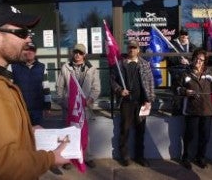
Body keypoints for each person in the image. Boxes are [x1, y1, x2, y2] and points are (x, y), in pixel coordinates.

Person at [0, 3, 69, 180]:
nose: (28, 40)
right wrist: (49, 158)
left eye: (28, 33)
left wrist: (26, 131)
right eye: (21, 33)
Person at [110, 39, 155, 167]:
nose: (132, 50)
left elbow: (151, 82)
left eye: (134, 48)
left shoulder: (145, 64)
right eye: (130, 47)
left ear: (138, 50)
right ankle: (124, 155)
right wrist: (119, 90)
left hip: (141, 102)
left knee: (140, 130)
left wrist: (150, 100)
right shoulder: (119, 65)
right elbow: (112, 81)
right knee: (125, 129)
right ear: (127, 49)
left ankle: (140, 156)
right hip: (126, 103)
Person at [56, 43, 101, 169]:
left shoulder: (91, 68)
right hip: (70, 108)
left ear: (84, 55)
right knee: (67, 133)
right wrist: (65, 103)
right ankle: (67, 159)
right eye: (76, 52)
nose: (77, 55)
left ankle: (87, 157)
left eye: (80, 53)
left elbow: (96, 88)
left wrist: (91, 100)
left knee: (85, 133)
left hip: (85, 107)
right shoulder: (65, 67)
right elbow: (59, 87)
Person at [174, 48, 212, 170]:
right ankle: (186, 158)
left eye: (201, 60)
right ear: (193, 59)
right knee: (190, 136)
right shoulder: (185, 73)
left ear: (205, 61)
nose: (198, 61)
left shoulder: (210, 73)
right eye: (196, 59)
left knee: (205, 136)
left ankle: (201, 157)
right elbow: (176, 89)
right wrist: (185, 91)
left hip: (207, 110)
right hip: (191, 109)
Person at [11, 42, 51, 126]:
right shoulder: (13, 66)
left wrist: (47, 106)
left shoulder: (42, 67)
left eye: (32, 50)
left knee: (38, 135)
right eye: (27, 50)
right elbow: (8, 88)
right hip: (20, 108)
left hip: (37, 109)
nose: (30, 52)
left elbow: (46, 88)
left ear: (35, 52)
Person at [168, 29, 196, 115]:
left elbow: (196, 58)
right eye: (182, 34)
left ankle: (190, 110)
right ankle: (176, 112)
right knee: (177, 92)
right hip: (177, 72)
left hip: (188, 72)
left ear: (187, 36)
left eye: (185, 34)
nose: (183, 36)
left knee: (189, 90)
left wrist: (189, 61)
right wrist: (180, 60)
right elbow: (170, 57)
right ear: (179, 35)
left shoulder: (192, 46)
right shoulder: (173, 45)